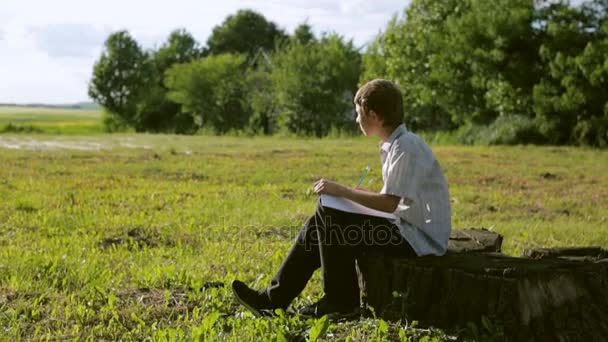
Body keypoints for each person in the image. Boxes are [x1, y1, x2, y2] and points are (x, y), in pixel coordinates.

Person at [232, 79, 452, 318]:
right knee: (323, 218)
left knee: (330, 216)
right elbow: (393, 199)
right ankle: (274, 299)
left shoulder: (405, 148)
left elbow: (390, 204)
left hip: (417, 239)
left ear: (374, 115)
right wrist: (346, 195)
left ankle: (339, 301)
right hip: (405, 227)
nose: (357, 120)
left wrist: (342, 192)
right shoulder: (396, 144)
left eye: (359, 114)